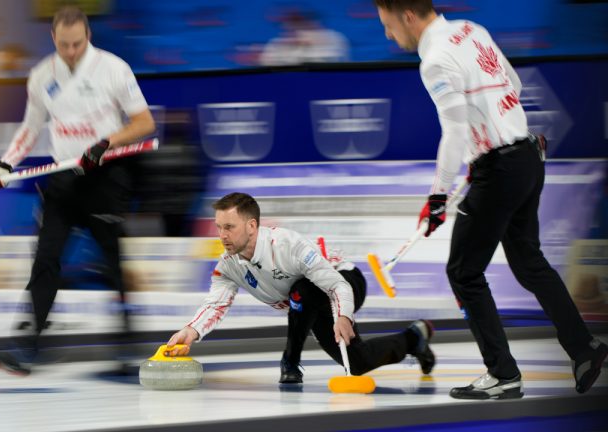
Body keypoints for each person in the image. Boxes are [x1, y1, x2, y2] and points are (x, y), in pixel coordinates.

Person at [373, 0, 607, 399]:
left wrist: (437, 196)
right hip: (527, 156)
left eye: (388, 24)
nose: (387, 34)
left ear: (407, 15)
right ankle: (584, 348)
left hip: (499, 169)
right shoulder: (470, 29)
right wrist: (490, 138)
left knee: (464, 272)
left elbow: (454, 131)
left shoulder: (433, 58)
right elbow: (512, 86)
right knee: (529, 263)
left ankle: (502, 374)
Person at [0, 6, 155, 375]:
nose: (71, 51)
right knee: (45, 259)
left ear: (88, 36)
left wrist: (105, 142)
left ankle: (126, 344)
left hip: (105, 177)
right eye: (64, 45)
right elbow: (30, 128)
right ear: (53, 39)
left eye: (77, 44)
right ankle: (27, 346)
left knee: (112, 262)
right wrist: (4, 165)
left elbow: (144, 123)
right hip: (63, 178)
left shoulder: (113, 68)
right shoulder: (42, 74)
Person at [166, 192, 435, 384]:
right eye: (218, 227)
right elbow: (216, 303)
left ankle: (290, 362)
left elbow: (336, 284)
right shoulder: (228, 265)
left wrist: (343, 316)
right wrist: (192, 330)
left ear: (251, 226)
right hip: (307, 305)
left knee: (301, 290)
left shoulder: (288, 245)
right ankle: (414, 338)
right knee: (357, 364)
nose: (221, 235)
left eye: (229, 227)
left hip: (345, 280)